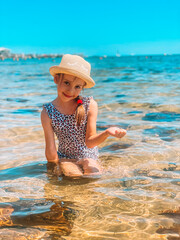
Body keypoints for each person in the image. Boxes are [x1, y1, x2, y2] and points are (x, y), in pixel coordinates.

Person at [41, 54, 126, 178]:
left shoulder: (89, 105)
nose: (71, 91)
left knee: (94, 174)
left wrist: (107, 133)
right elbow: (51, 150)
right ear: (56, 79)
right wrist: (54, 171)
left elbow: (90, 142)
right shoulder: (48, 112)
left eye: (77, 87)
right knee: (73, 176)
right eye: (66, 83)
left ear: (83, 87)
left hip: (89, 155)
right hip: (66, 158)